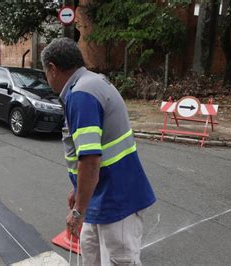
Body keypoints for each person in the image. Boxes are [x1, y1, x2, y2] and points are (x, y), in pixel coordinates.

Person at [41, 38, 156, 265]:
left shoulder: (81, 94)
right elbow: (89, 157)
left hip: (117, 202)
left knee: (117, 260)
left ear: (52, 69)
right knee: (91, 256)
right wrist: (78, 191)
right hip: (100, 197)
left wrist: (77, 212)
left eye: (45, 71)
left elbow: (90, 161)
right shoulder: (90, 83)